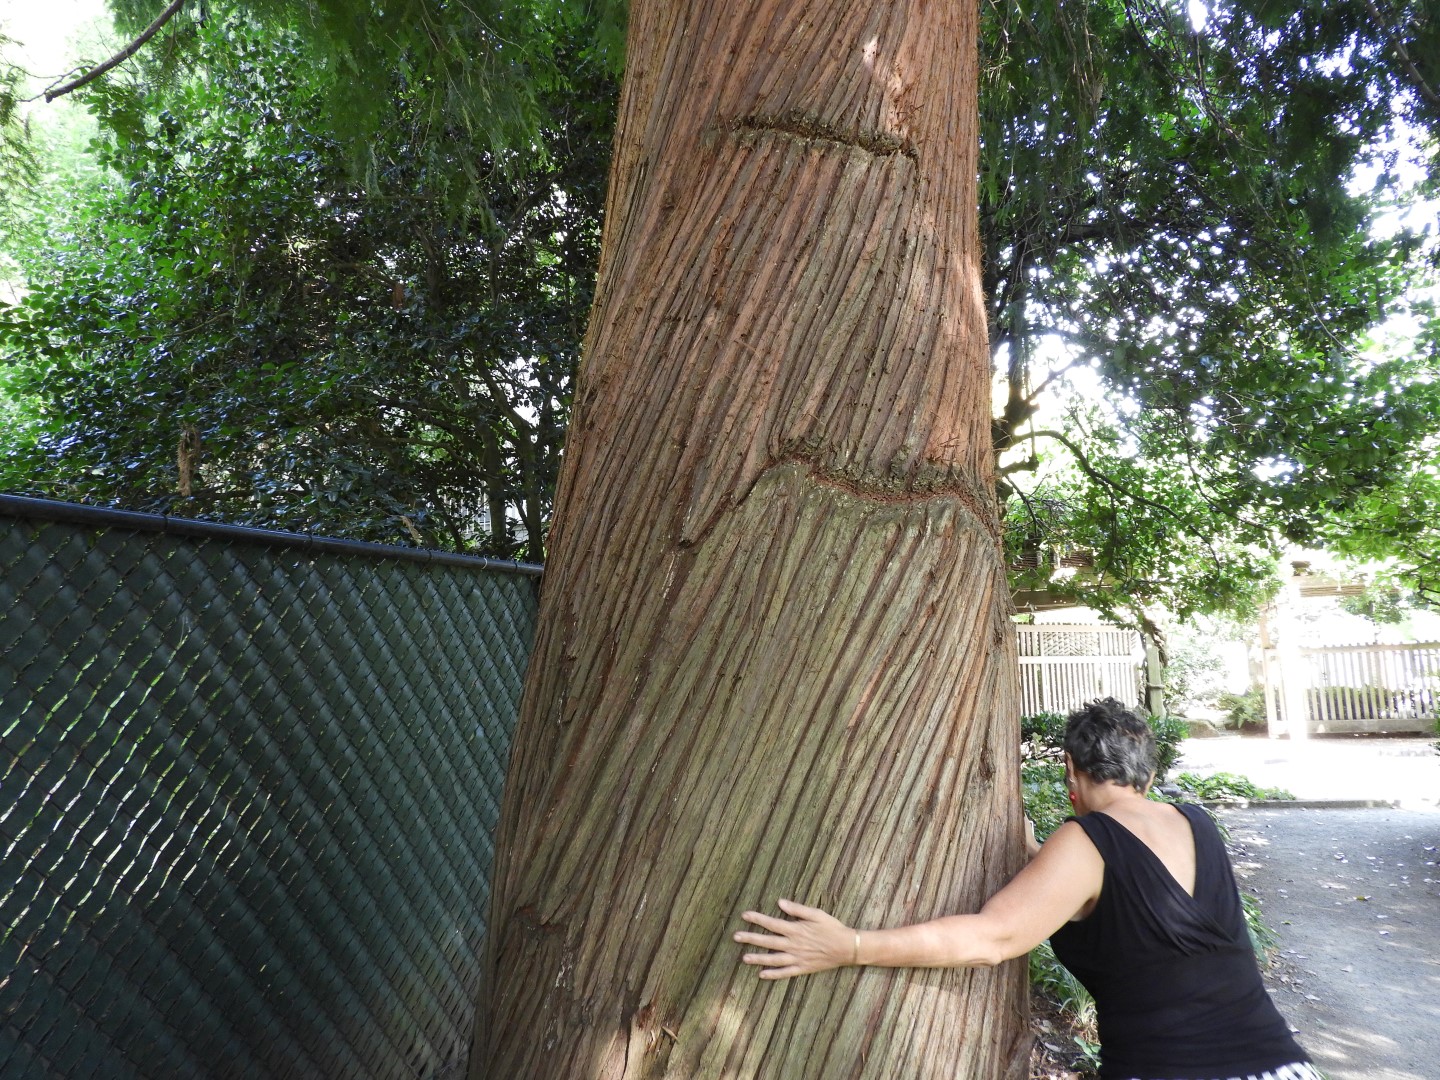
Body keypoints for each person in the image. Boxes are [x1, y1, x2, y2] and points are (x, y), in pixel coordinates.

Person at [733, 698, 1317, 1080]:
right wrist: (1047, 866)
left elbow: (993, 938)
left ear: (1070, 768)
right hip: (1282, 1065)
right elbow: (1143, 914)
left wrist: (848, 946)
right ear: (1148, 772)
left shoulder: (1087, 841)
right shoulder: (1197, 824)